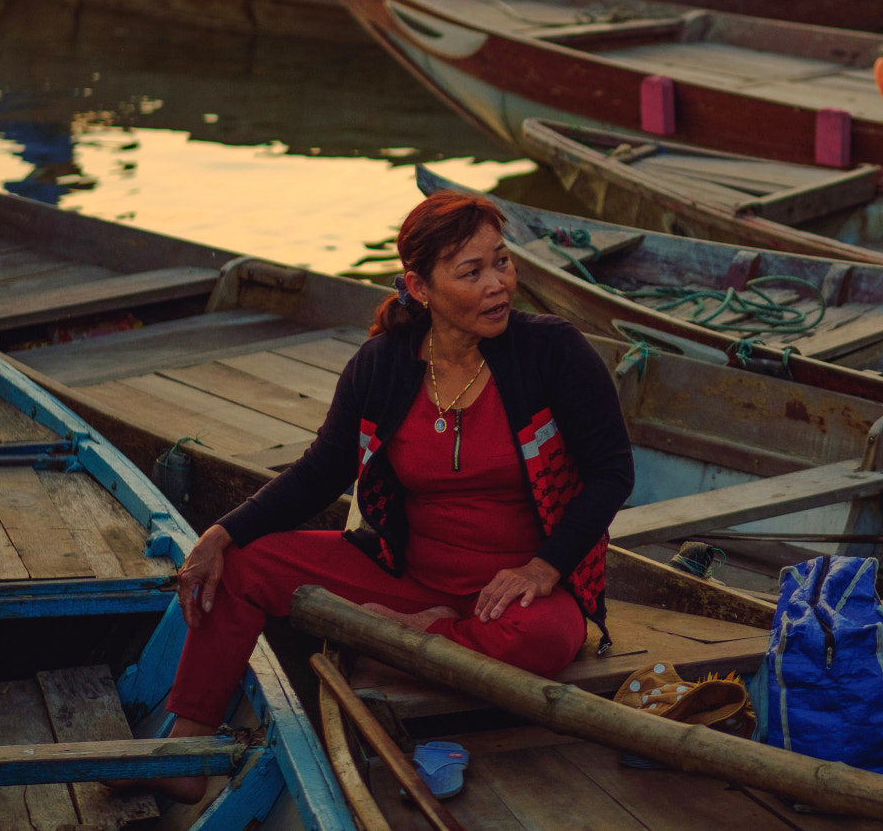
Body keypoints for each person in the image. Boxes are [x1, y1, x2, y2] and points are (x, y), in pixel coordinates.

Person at [130, 191, 634, 801]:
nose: (498, 284)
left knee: (548, 640)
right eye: (471, 272)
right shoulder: (383, 365)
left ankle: (422, 636)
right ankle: (188, 745)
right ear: (420, 288)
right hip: (408, 574)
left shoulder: (552, 351)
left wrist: (545, 565)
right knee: (240, 567)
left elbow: (612, 471)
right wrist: (220, 533)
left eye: (501, 262)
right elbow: (319, 474)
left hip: (519, 590)